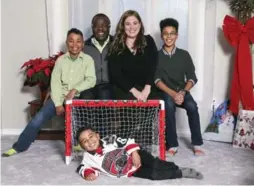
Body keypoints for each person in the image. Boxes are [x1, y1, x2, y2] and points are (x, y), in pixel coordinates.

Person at [2, 28, 96, 157]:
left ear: (83, 44)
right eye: (71, 41)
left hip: (77, 97)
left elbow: (91, 80)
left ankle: (78, 144)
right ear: (67, 43)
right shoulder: (61, 60)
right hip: (59, 96)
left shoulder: (88, 60)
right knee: (38, 119)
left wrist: (75, 89)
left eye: (78, 41)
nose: (75, 45)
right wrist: (58, 104)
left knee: (79, 121)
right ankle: (19, 147)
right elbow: (55, 83)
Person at [76, 126, 203, 181]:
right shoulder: (87, 158)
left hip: (136, 155)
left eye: (91, 136)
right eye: (84, 141)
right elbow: (82, 168)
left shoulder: (110, 139)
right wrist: (88, 174)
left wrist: (134, 153)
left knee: (155, 164)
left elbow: (127, 140)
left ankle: (176, 167)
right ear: (82, 146)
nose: (89, 141)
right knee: (153, 175)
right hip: (130, 171)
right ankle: (180, 173)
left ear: (97, 135)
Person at [154, 18, 204, 156]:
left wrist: (182, 93)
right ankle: (172, 145)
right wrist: (173, 94)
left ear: (177, 35)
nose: (169, 36)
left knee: (192, 106)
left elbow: (192, 77)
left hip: (182, 91)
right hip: (164, 91)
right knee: (168, 105)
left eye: (172, 33)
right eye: (165, 33)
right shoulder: (156, 56)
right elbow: (156, 80)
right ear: (161, 35)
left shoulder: (184, 55)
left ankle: (197, 143)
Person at [108, 10, 159, 101]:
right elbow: (115, 74)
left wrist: (147, 89)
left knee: (158, 100)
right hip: (125, 89)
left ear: (140, 24)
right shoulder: (115, 45)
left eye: (135, 23)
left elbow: (153, 67)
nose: (132, 27)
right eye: (127, 24)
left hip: (147, 88)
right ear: (123, 26)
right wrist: (135, 92)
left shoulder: (149, 41)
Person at [81, 13, 114, 99]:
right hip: (90, 85)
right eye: (96, 26)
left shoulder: (116, 44)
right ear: (92, 28)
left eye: (103, 25)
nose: (100, 29)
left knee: (104, 95)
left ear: (109, 27)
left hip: (109, 85)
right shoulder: (84, 47)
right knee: (85, 97)